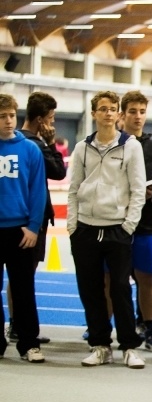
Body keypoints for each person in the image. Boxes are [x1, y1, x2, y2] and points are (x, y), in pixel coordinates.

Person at [68, 90, 146, 369]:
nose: (108, 113)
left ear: (118, 114)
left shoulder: (131, 146)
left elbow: (138, 189)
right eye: (103, 108)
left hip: (117, 230)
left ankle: (128, 346)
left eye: (113, 108)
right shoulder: (82, 147)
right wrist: (73, 226)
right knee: (90, 290)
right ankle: (100, 345)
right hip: (86, 230)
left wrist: (128, 226)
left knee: (121, 289)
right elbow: (74, 188)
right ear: (94, 114)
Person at [7, 91, 67, 344]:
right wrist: (52, 144)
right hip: (28, 220)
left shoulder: (27, 142)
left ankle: (17, 325)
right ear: (41, 119)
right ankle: (18, 326)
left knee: (21, 277)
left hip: (27, 218)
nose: (53, 124)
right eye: (51, 118)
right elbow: (58, 172)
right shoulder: (34, 145)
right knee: (23, 277)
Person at [120, 90, 152, 354]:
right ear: (122, 114)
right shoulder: (114, 144)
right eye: (132, 111)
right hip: (116, 223)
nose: (138, 117)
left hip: (146, 225)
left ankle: (150, 328)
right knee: (111, 279)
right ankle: (105, 326)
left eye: (142, 112)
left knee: (146, 278)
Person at [0, 93, 46, 363]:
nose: (8, 121)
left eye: (11, 116)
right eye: (2, 117)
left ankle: (29, 343)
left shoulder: (30, 149)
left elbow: (37, 191)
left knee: (24, 289)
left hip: (21, 232)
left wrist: (32, 227)